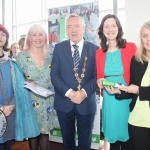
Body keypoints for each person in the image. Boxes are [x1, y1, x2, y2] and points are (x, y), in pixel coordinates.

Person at [50, 14, 99, 150]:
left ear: (83, 28)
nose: (73, 30)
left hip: (86, 101)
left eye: (77, 26)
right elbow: (54, 75)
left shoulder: (95, 49)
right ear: (66, 30)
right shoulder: (59, 48)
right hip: (64, 102)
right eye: (70, 27)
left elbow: (97, 76)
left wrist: (84, 92)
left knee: (85, 140)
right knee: (67, 140)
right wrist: (69, 92)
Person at [96, 14, 137, 150]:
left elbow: (138, 74)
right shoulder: (99, 52)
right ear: (102, 30)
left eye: (113, 25)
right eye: (106, 26)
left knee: (127, 136)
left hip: (125, 96)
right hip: (109, 98)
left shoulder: (131, 47)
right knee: (112, 138)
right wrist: (99, 81)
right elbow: (99, 77)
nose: (110, 29)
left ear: (118, 28)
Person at [16, 23, 59, 150]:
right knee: (33, 133)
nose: (38, 37)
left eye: (41, 34)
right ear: (29, 37)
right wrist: (26, 82)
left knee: (45, 133)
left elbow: (57, 75)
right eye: (34, 34)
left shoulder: (51, 55)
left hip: (48, 102)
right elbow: (16, 79)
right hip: (30, 101)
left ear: (45, 36)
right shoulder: (21, 57)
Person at [0, 24, 39, 150]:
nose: (0, 37)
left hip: (11, 112)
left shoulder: (12, 63)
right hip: (2, 110)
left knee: (8, 145)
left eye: (3, 34)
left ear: (6, 39)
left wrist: (28, 83)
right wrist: (1, 109)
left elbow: (18, 86)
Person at [114, 21, 150, 150]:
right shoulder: (136, 60)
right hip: (137, 121)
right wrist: (119, 91)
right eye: (145, 36)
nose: (148, 39)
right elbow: (132, 88)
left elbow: (138, 89)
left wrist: (139, 90)